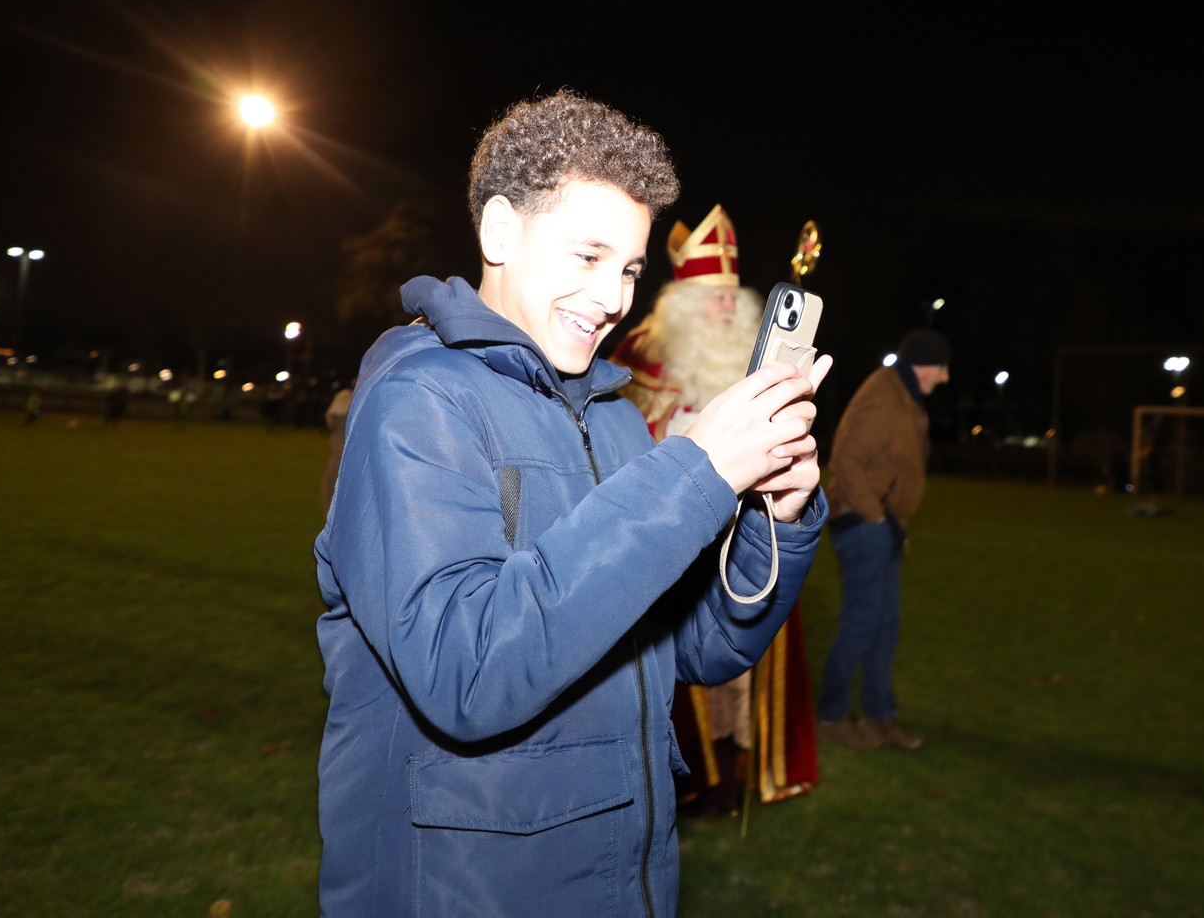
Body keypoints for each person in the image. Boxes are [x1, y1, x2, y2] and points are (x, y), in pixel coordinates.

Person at [314, 90, 832, 917]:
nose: (615, 296)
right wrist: (695, 474)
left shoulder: (617, 419)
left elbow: (701, 647)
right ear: (500, 234)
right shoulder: (419, 400)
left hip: (619, 880)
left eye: (628, 269)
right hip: (464, 887)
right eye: (588, 256)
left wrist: (779, 516)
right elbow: (466, 670)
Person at [610, 205, 819, 815]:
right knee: (686, 665)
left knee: (743, 656)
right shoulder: (637, 354)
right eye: (713, 297)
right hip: (677, 532)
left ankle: (737, 771)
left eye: (733, 295)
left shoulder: (754, 357)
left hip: (748, 529)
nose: (728, 306)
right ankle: (699, 781)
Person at [816, 327, 950, 751]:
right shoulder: (885, 396)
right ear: (924, 366)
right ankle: (830, 715)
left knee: (885, 625)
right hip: (863, 524)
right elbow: (846, 460)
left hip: (882, 525)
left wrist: (894, 525)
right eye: (942, 368)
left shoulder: (903, 395)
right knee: (861, 623)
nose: (945, 378)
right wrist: (875, 518)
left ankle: (879, 716)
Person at [320, 382, 353, 516]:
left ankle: (332, 515)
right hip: (350, 452)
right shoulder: (359, 399)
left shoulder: (342, 397)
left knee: (332, 484)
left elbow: (330, 422)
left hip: (339, 451)